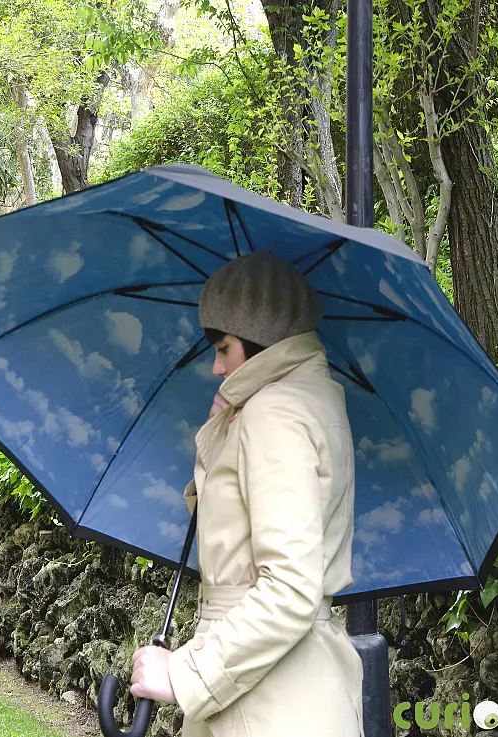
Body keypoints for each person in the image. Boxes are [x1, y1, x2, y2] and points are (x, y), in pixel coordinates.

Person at [130, 252, 364, 736]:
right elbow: (234, 529)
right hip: (292, 685)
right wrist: (223, 433)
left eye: (224, 347)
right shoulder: (311, 401)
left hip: (266, 699)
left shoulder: (274, 413)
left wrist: (184, 672)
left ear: (260, 340)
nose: (216, 367)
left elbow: (290, 589)